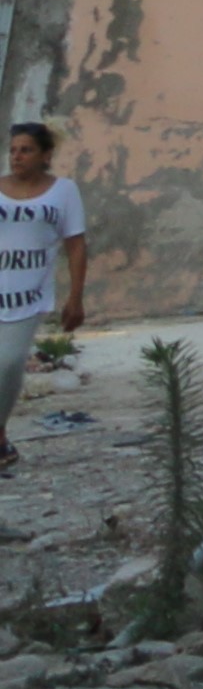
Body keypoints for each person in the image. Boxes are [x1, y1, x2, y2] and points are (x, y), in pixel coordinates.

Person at [0, 123, 82, 466]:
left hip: (27, 294)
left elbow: (76, 246)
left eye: (26, 150)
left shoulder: (64, 192)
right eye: (13, 150)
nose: (16, 156)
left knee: (9, 363)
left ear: (46, 155)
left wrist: (75, 298)